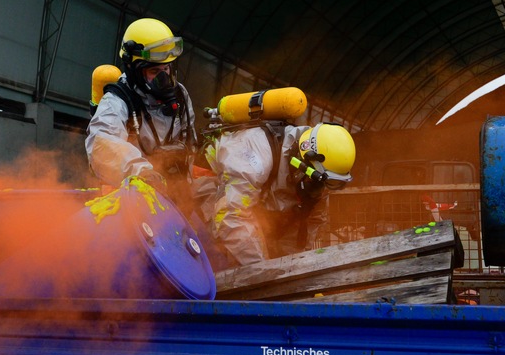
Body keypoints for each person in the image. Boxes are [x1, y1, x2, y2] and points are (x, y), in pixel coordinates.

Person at [203, 121, 356, 266]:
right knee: (220, 260)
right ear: (303, 163)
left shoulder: (320, 177)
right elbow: (230, 216)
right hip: (207, 187)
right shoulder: (256, 159)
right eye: (316, 181)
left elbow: (309, 222)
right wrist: (264, 272)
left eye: (331, 183)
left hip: (255, 204)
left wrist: (295, 268)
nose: (321, 188)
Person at [85, 18, 197, 200]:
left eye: (166, 69)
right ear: (133, 69)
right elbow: (102, 143)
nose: (164, 78)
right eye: (154, 72)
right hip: (132, 197)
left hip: (174, 193)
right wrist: (141, 173)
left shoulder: (181, 94)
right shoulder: (117, 101)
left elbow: (189, 142)